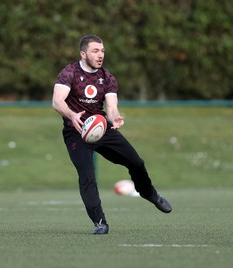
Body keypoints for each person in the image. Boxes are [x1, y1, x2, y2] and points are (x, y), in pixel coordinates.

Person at [52, 34, 172, 235]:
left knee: (137, 162)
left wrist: (114, 117)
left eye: (102, 51)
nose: (100, 55)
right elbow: (57, 101)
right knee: (87, 176)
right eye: (95, 51)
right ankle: (100, 222)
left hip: (101, 128)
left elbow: (112, 106)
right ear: (83, 53)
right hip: (76, 132)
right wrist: (71, 115)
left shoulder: (107, 77)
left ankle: (149, 193)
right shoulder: (69, 72)